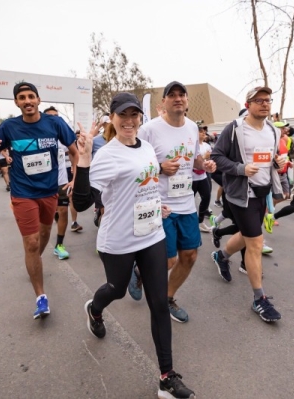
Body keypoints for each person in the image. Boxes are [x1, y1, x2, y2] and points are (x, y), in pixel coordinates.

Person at [72, 93, 195, 398]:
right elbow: (83, 202)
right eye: (122, 115)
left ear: (140, 118)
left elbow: (147, 184)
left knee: (157, 304)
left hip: (151, 234)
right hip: (118, 240)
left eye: (134, 115)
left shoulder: (148, 148)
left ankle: (167, 377)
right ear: (112, 119)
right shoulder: (108, 154)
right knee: (116, 289)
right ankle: (95, 310)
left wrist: (158, 206)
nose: (129, 121)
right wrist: (84, 160)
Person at [0, 82, 77, 319]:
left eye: (31, 96)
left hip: (49, 191)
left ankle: (34, 261)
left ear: (38, 100)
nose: (27, 101)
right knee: (32, 242)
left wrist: (76, 178)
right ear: (16, 102)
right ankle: (41, 297)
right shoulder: (8, 127)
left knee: (45, 234)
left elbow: (74, 150)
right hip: (23, 193)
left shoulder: (54, 123)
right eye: (22, 97)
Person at [137, 81, 216, 323]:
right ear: (163, 102)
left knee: (190, 256)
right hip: (161, 204)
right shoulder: (149, 130)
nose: (178, 98)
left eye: (182, 95)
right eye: (172, 95)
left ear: (187, 101)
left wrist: (205, 164)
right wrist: (159, 168)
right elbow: (135, 164)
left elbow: (193, 161)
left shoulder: (192, 127)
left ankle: (168, 297)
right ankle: (139, 271)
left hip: (186, 203)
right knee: (169, 259)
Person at [210, 86, 287, 322]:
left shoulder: (273, 130)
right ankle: (259, 299)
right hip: (241, 194)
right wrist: (241, 169)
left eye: (268, 100)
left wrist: (277, 161)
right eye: (259, 100)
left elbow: (266, 160)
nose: (265, 104)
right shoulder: (235, 129)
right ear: (249, 103)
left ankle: (221, 256)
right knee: (255, 243)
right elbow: (217, 157)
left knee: (248, 235)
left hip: (262, 192)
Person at [43, 106, 79, 261]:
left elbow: (74, 154)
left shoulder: (62, 137)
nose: (54, 118)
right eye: (50, 116)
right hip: (41, 185)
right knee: (44, 220)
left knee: (63, 211)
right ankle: (36, 248)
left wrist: (74, 178)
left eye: (56, 116)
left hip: (61, 182)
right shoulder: (38, 135)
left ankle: (59, 245)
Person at [193, 125, 212, 233]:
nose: (203, 133)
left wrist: (209, 163)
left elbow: (208, 160)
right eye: (201, 132)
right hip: (192, 177)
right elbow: (192, 160)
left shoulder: (207, 146)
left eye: (204, 132)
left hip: (203, 176)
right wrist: (204, 157)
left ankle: (200, 221)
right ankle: (191, 222)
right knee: (190, 200)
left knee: (207, 197)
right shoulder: (192, 146)